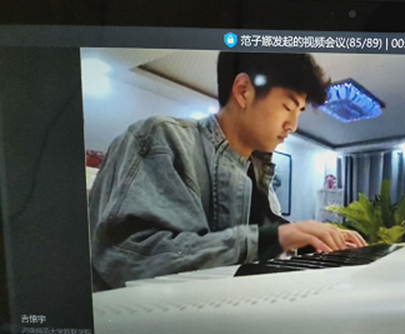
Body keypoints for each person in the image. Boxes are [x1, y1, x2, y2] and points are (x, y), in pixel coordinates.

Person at [89, 52, 366, 290]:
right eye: (287, 107)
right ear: (244, 90)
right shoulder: (161, 138)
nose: (293, 125)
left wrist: (310, 243)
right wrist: (275, 237)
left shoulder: (259, 174)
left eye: (300, 112)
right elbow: (128, 258)